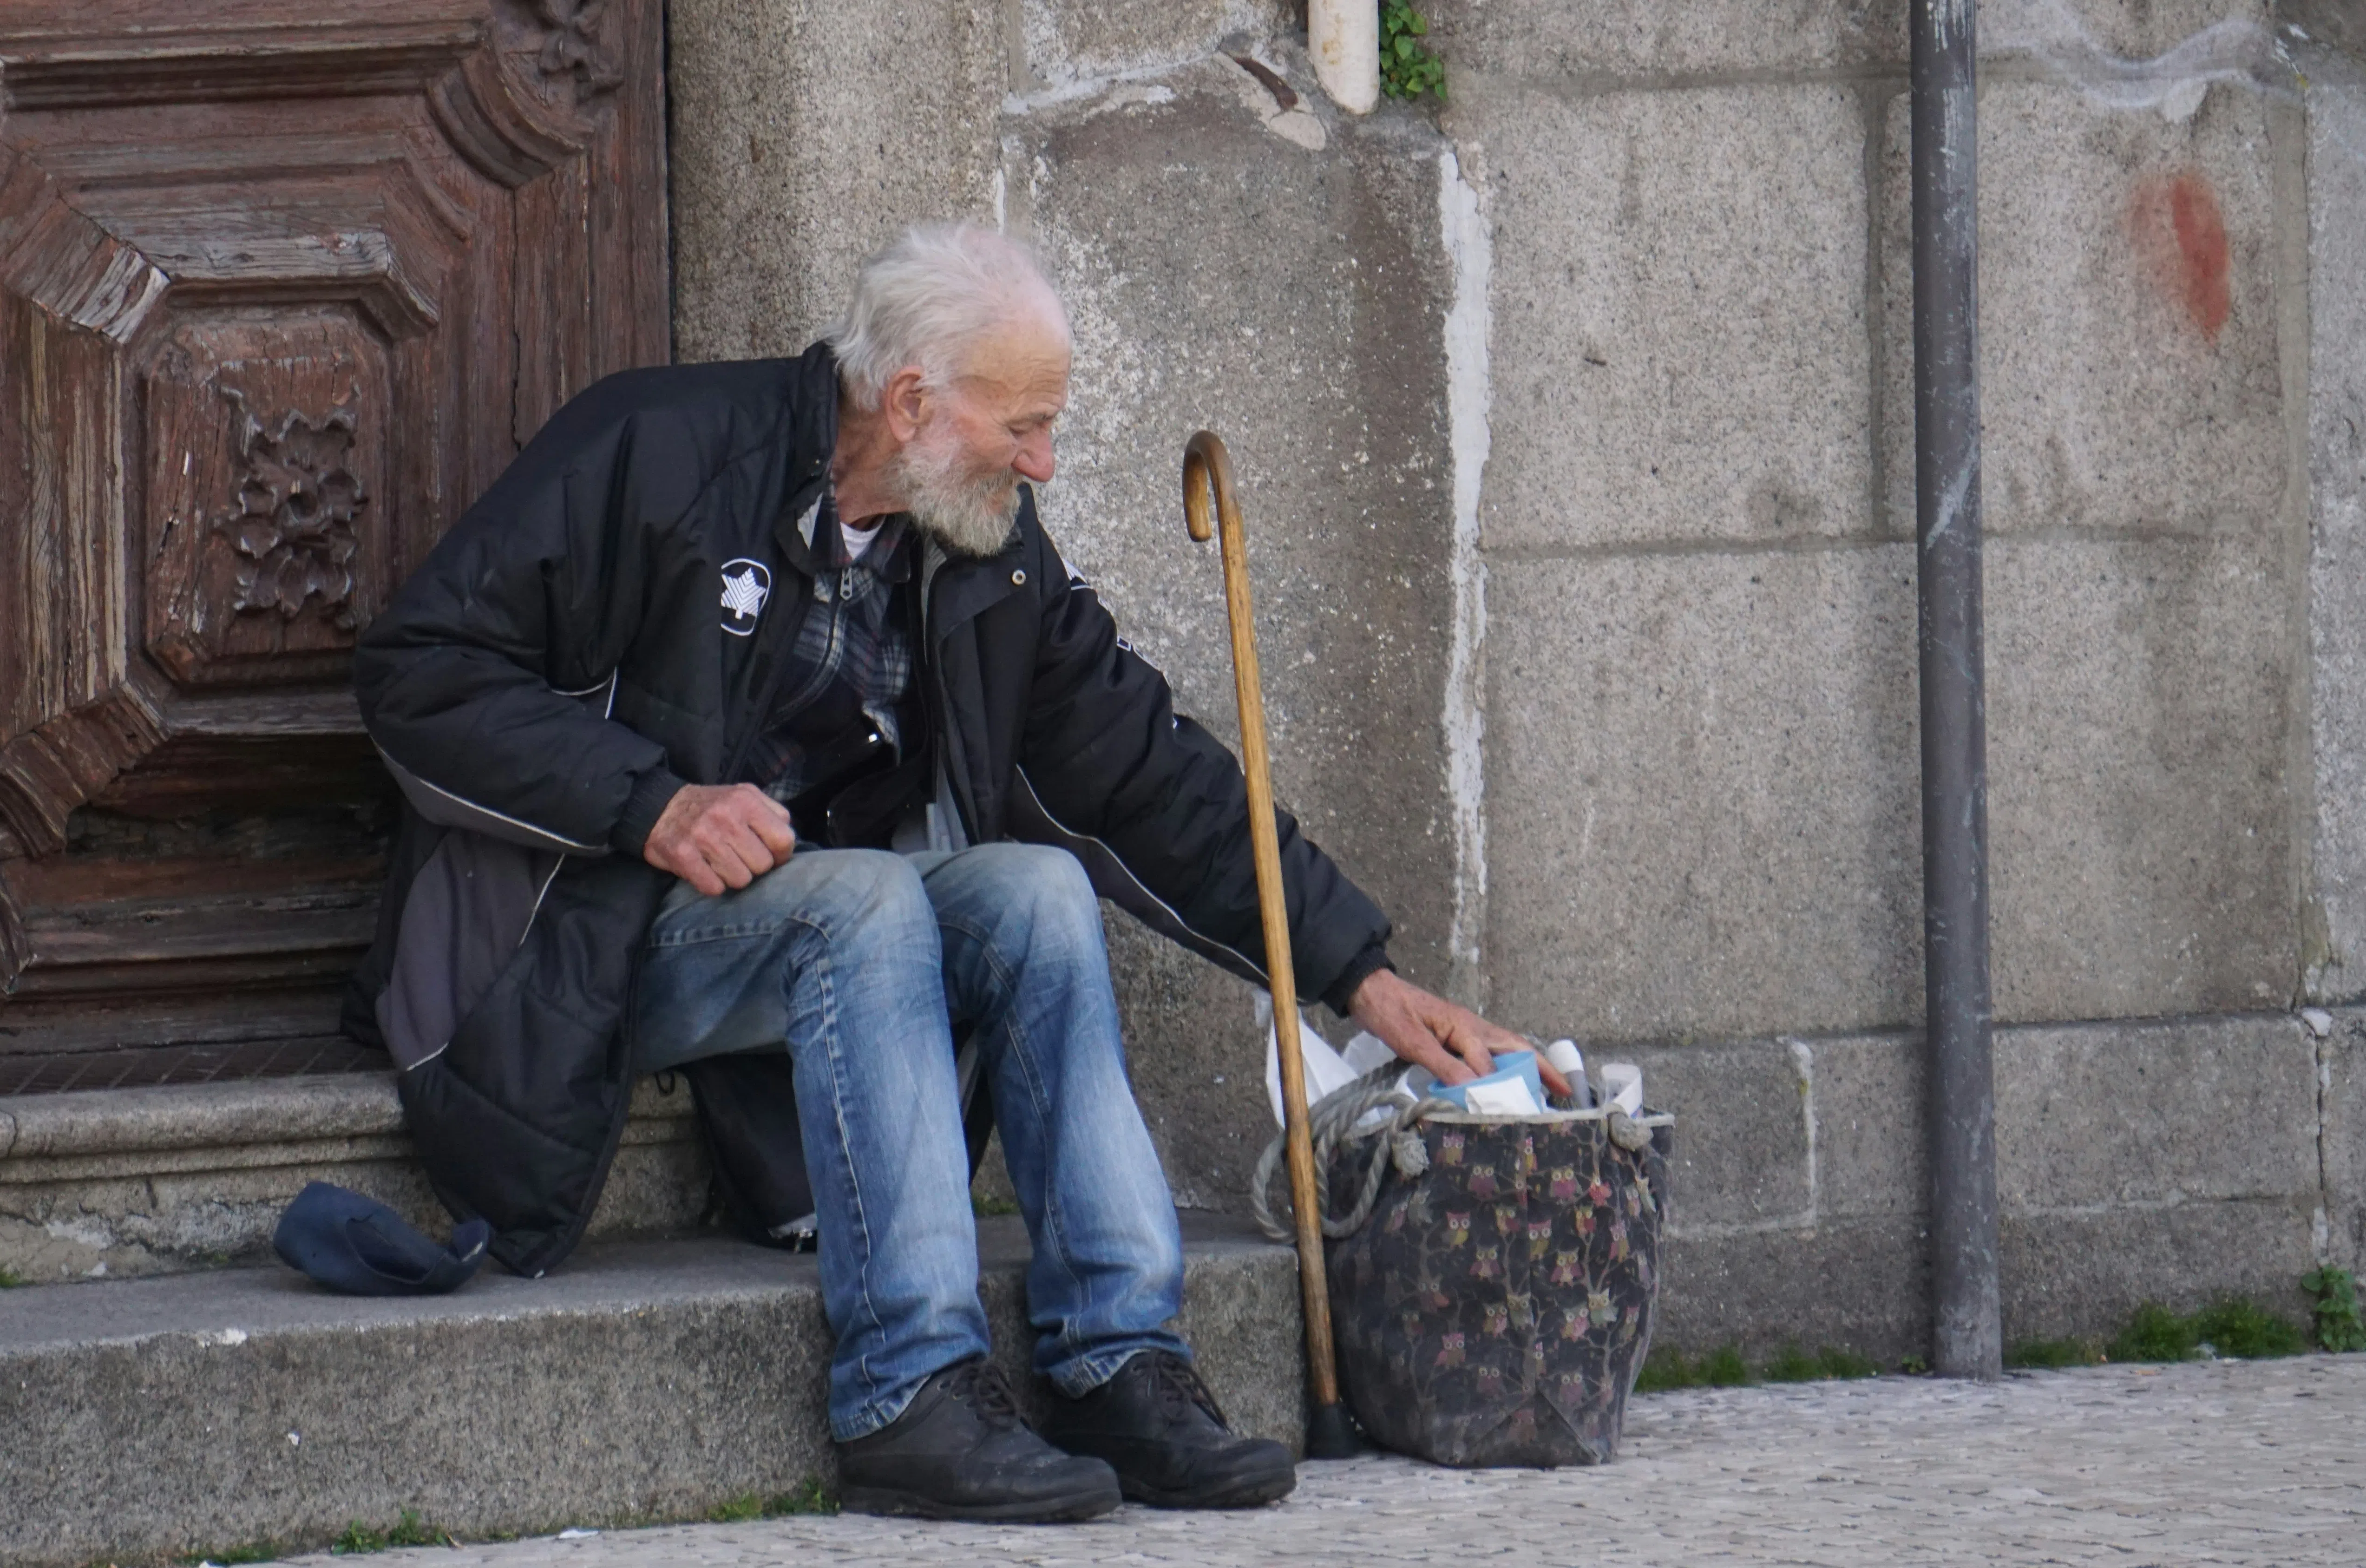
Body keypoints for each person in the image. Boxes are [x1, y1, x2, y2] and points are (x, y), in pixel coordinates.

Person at [347, 223, 1556, 1523]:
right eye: (1025, 426)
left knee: (1036, 894)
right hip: (578, 942)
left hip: (801, 942)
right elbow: (420, 670)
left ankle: (1119, 1354)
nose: (1043, 461)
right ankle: (907, 1385)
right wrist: (652, 803)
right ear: (913, 401)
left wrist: (1356, 972)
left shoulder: (982, 547)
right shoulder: (661, 448)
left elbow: (1147, 773)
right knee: (865, 902)